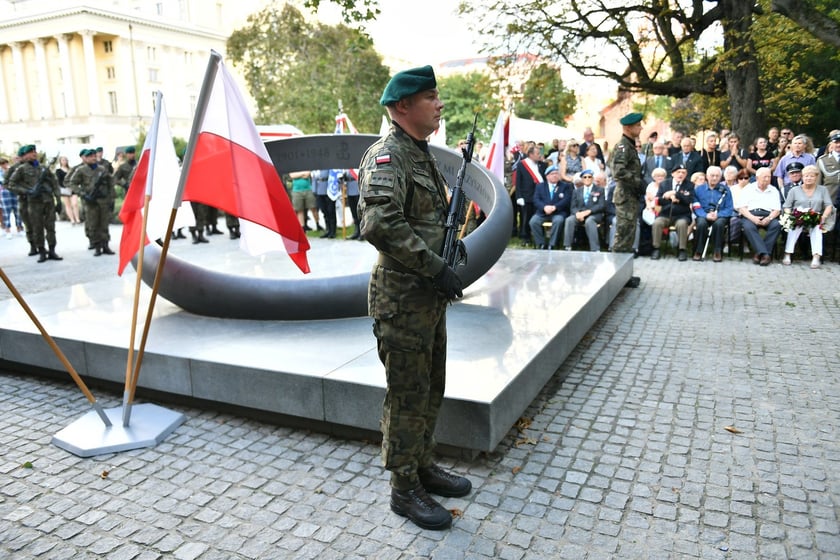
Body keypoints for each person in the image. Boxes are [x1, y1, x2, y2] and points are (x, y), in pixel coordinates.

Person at [357, 65, 471, 532]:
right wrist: (435, 266)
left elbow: (422, 219)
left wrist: (449, 247)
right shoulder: (388, 155)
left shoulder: (419, 154)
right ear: (403, 106)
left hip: (425, 295)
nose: (440, 104)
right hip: (402, 296)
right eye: (431, 97)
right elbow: (380, 224)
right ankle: (404, 488)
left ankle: (423, 463)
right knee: (406, 394)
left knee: (430, 385)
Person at [7, 145, 63, 262]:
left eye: (34, 152)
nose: (34, 154)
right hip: (33, 202)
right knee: (37, 228)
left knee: (51, 227)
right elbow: (11, 184)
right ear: (24, 156)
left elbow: (54, 183)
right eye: (30, 152)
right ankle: (41, 250)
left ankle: (52, 250)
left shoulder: (43, 168)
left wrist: (58, 199)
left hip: (48, 201)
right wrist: (26, 191)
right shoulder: (20, 169)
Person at [610, 113, 644, 285]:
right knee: (622, 236)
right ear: (628, 128)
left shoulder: (629, 146)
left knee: (628, 236)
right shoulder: (623, 146)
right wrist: (638, 181)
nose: (641, 128)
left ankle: (624, 276)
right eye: (638, 125)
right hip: (625, 196)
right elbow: (618, 172)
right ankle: (617, 277)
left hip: (630, 196)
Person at [781, 164, 833, 269]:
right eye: (806, 176)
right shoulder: (794, 190)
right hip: (798, 217)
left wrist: (824, 216)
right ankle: (788, 253)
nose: (809, 178)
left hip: (816, 216)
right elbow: (787, 206)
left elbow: (829, 205)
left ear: (816, 177)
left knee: (817, 227)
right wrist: (788, 216)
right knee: (794, 226)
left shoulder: (823, 190)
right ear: (802, 177)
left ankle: (816, 256)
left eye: (812, 176)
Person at [69, 148, 116, 256]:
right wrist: (83, 194)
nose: (93, 158)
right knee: (93, 225)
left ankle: (105, 245)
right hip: (91, 202)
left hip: (103, 200)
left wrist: (111, 198)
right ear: (85, 158)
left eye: (94, 156)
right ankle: (97, 246)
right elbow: (72, 183)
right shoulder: (81, 170)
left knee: (104, 224)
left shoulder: (102, 169)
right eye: (90, 156)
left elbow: (110, 182)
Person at [738, 167, 782, 266]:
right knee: (748, 227)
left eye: (769, 177)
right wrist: (753, 218)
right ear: (757, 178)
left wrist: (769, 218)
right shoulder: (748, 189)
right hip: (751, 215)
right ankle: (765, 254)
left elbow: (777, 210)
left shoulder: (773, 190)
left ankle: (759, 253)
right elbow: (742, 208)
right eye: (764, 177)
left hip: (768, 215)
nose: (767, 179)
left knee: (777, 225)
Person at [650, 164, 694, 261]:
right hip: (666, 214)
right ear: (673, 173)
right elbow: (658, 200)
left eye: (683, 172)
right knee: (657, 223)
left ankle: (682, 249)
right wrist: (667, 197)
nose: (681, 174)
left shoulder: (689, 185)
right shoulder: (664, 184)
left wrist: (675, 194)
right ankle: (656, 248)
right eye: (678, 172)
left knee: (682, 224)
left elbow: (689, 200)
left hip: (682, 215)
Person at [692, 165, 733, 262]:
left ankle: (717, 251)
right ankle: (698, 251)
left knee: (719, 224)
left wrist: (718, 215)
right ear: (707, 176)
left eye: (717, 176)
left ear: (720, 177)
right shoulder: (698, 189)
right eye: (712, 175)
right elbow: (696, 206)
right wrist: (705, 215)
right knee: (701, 224)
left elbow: (729, 208)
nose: (714, 178)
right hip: (703, 214)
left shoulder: (726, 190)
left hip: (720, 214)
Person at [529, 165, 571, 249]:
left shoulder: (565, 186)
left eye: (556, 173)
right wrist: (544, 207)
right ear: (547, 176)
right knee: (533, 222)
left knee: (558, 221)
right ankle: (541, 243)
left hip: (558, 212)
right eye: (552, 174)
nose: (555, 175)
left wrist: (555, 207)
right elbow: (536, 200)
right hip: (543, 212)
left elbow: (566, 199)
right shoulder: (540, 186)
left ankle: (552, 244)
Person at [563, 170, 605, 251]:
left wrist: (588, 212)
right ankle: (567, 246)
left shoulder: (599, 190)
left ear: (592, 178)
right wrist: (577, 214)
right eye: (585, 177)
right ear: (582, 179)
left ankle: (595, 248)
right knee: (569, 220)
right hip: (580, 214)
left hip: (594, 214)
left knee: (590, 221)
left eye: (589, 177)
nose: (587, 179)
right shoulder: (576, 191)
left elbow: (601, 205)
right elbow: (573, 207)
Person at [514, 145, 545, 246]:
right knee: (526, 218)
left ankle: (539, 237)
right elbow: (518, 182)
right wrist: (519, 196)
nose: (539, 155)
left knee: (539, 217)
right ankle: (525, 238)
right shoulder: (522, 164)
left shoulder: (542, 165)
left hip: (540, 196)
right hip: (527, 196)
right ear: (531, 154)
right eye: (537, 153)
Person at [55, 155, 81, 225]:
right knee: (68, 205)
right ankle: (72, 219)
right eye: (63, 160)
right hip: (64, 189)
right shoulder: (58, 171)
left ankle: (77, 218)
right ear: (60, 161)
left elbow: (75, 178)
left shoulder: (71, 169)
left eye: (65, 160)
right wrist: (66, 186)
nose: (64, 161)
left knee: (75, 203)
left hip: (73, 188)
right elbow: (59, 181)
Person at [816, 133, 840, 201]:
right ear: (831, 144)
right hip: (829, 200)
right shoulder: (822, 160)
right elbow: (818, 182)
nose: (839, 145)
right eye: (836, 142)